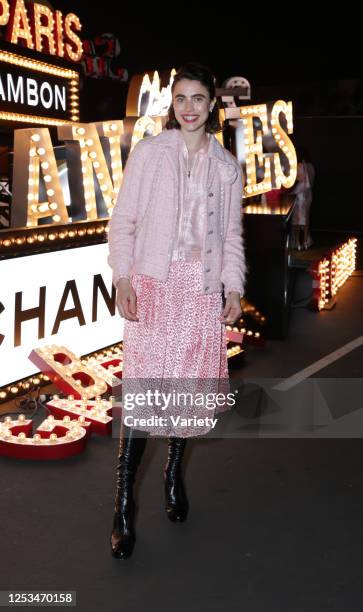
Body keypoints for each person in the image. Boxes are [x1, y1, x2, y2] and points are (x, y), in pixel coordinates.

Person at [107, 62, 247, 559]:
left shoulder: (227, 166)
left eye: (198, 99)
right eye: (181, 98)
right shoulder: (149, 154)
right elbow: (122, 221)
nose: (189, 108)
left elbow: (231, 235)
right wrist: (123, 277)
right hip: (153, 284)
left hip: (199, 290)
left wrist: (232, 288)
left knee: (185, 392)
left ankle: (172, 472)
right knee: (145, 396)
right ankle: (123, 504)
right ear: (172, 103)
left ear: (212, 106)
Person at [290, 154, 315, 250]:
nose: (298, 175)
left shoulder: (304, 186)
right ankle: (299, 242)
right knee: (297, 224)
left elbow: (297, 192)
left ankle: (303, 242)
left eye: (299, 173)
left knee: (302, 224)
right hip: (298, 206)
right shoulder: (301, 185)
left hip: (302, 206)